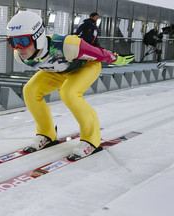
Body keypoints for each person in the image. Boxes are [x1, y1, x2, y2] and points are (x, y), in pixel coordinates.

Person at [7, 11, 134, 160]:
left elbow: (98, 53)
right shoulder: (20, 56)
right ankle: (46, 133)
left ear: (38, 37)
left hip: (85, 67)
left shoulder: (68, 45)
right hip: (59, 70)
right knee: (30, 90)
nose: (18, 48)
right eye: (12, 42)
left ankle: (91, 139)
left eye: (22, 41)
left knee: (69, 93)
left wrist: (116, 59)